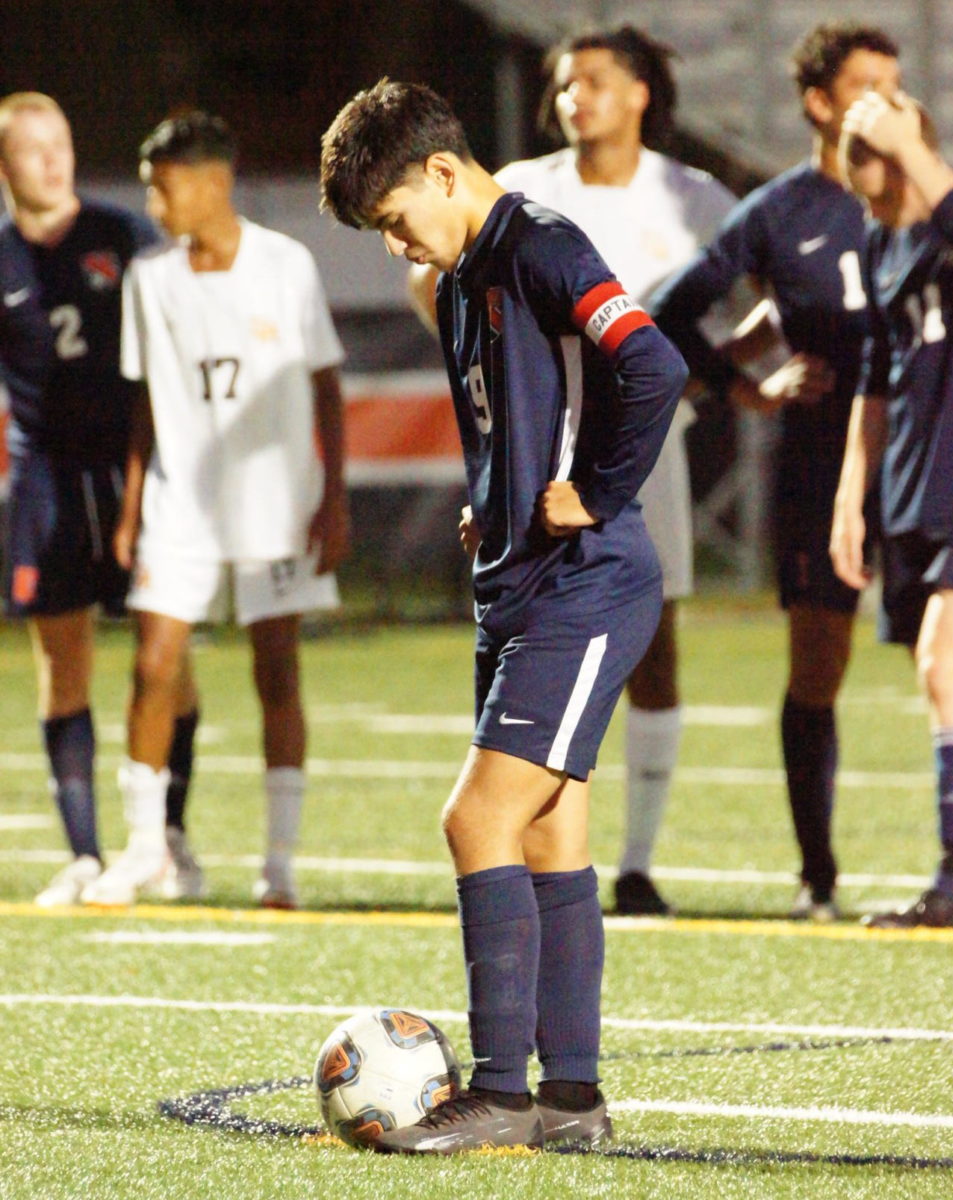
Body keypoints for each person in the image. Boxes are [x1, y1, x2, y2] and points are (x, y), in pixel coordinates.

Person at [320, 80, 686, 1152]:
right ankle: (570, 1100)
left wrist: (599, 489)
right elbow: (517, 410)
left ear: (443, 173)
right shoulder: (468, 263)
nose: (397, 249)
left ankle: (501, 1091)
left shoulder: (540, 244)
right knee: (543, 832)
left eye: (395, 223)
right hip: (521, 581)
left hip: (587, 579)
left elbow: (651, 364)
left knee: (475, 820)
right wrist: (499, 496)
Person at [411, 25, 737, 916]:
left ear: (639, 92)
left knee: (652, 638)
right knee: (535, 646)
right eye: (561, 83)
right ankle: (577, 854)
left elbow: (727, 315)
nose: (572, 97)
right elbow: (448, 286)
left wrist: (745, 375)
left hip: (634, 441)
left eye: (592, 79)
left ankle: (637, 858)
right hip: (537, 451)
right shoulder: (522, 187)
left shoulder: (692, 194)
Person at [650, 22, 902, 921]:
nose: (886, 102)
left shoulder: (930, 197)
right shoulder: (779, 212)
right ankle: (818, 877)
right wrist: (743, 388)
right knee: (817, 666)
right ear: (818, 103)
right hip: (818, 462)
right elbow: (668, 313)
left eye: (893, 85)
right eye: (866, 85)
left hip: (924, 459)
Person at [80, 111, 350, 908]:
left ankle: (278, 862)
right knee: (152, 664)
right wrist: (131, 510)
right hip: (180, 501)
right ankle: (144, 848)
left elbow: (325, 386)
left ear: (213, 183)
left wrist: (332, 498)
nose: (156, 207)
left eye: (164, 190)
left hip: (275, 502)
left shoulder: (286, 264)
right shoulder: (150, 277)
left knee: (277, 671)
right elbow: (144, 407)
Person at [0, 92, 200, 905]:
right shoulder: (3, 258)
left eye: (63, 141)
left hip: (131, 467)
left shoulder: (123, 236)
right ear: (6, 165)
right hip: (44, 477)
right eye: (34, 147)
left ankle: (170, 840)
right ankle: (84, 853)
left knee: (164, 654)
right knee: (63, 659)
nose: (55, 159)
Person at [831, 92, 953, 928]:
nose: (853, 167)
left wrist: (908, 143)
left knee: (947, 664)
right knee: (951, 681)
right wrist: (850, 497)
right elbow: (877, 376)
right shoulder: (878, 240)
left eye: (868, 149)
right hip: (919, 495)